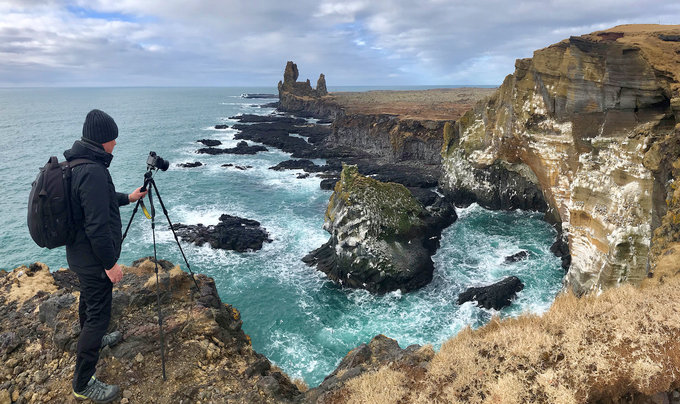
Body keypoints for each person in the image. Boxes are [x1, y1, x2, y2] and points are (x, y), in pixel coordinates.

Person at [64, 109, 147, 403]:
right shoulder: (94, 171)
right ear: (102, 140)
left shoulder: (79, 164)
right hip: (94, 259)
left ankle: (95, 340)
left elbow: (95, 204)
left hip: (79, 255)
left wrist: (128, 197)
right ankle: (83, 383)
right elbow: (98, 226)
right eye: (113, 139)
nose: (115, 144)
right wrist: (110, 265)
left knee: (89, 301)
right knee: (98, 316)